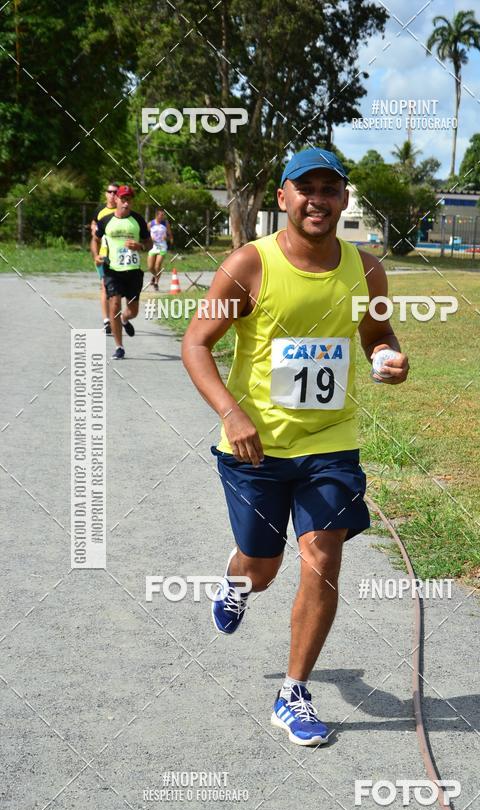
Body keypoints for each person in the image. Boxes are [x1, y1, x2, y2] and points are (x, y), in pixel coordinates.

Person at [182, 148, 409, 746]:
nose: (318, 199)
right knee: (264, 566)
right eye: (304, 188)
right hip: (254, 446)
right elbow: (196, 344)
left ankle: (293, 691)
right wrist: (232, 414)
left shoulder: (367, 270)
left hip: (331, 445)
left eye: (330, 189)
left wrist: (388, 357)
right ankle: (237, 580)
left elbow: (377, 332)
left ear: (343, 199)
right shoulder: (248, 266)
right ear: (282, 197)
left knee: (323, 556)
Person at [91, 185, 152, 360]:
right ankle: (119, 347)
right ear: (116, 199)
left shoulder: (138, 220)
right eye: (123, 199)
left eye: (129, 200)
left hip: (133, 272)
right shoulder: (106, 221)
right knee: (115, 305)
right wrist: (96, 256)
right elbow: (95, 240)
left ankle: (125, 320)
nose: (126, 203)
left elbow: (150, 244)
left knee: (133, 310)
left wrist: (140, 246)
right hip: (112, 270)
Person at [90, 182, 119, 334]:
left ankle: (117, 318)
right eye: (110, 192)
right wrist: (96, 255)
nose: (113, 195)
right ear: (106, 194)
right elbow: (94, 231)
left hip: (119, 257)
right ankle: (107, 321)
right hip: (104, 254)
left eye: (115, 192)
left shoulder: (122, 211)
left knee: (117, 289)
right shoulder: (100, 211)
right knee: (104, 286)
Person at [147, 208, 173, 291]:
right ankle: (155, 276)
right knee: (150, 267)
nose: (163, 217)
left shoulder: (165, 223)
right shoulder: (150, 224)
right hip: (153, 247)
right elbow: (146, 236)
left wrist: (168, 238)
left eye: (163, 215)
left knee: (157, 266)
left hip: (162, 246)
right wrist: (150, 238)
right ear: (156, 215)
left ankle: (156, 283)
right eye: (161, 215)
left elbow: (170, 235)